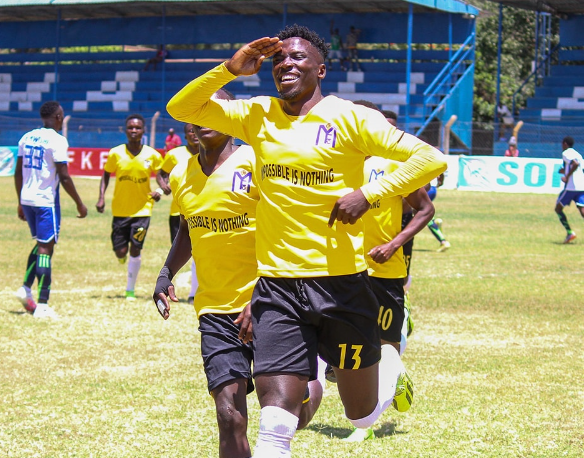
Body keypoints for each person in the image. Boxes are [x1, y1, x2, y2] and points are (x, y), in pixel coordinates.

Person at [166, 25, 446, 458]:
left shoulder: (351, 117)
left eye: (297, 58)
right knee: (275, 423)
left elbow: (432, 158)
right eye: (279, 60)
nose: (286, 65)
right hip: (277, 287)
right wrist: (229, 69)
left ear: (321, 69)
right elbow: (181, 106)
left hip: (342, 285)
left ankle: (390, 367)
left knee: (361, 415)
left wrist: (369, 195)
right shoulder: (258, 115)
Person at [153, 89, 324, 458]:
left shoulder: (256, 162)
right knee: (229, 416)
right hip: (214, 311)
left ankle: (316, 382)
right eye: (198, 113)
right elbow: (189, 226)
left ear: (230, 118)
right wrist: (167, 272)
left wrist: (263, 292)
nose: (203, 120)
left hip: (271, 304)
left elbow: (288, 226)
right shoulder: (181, 172)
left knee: (287, 414)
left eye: (214, 111)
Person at [333, 100, 435, 442]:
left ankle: (367, 421)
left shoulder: (392, 164)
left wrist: (394, 245)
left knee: (384, 346)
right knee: (345, 349)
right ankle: (384, 383)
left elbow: (425, 209)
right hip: (338, 270)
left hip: (383, 273)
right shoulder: (327, 160)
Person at [14, 100, 88, 318]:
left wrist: (20, 200)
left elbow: (18, 172)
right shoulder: (58, 140)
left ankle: (25, 288)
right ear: (57, 117)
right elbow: (64, 176)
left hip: (27, 198)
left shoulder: (25, 137)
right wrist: (79, 203)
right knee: (46, 249)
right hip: (45, 200)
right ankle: (43, 304)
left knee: (41, 244)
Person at [96, 114, 163, 300]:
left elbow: (162, 176)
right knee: (121, 251)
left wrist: (160, 191)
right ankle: (121, 256)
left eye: (138, 128)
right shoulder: (115, 153)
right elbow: (106, 174)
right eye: (131, 128)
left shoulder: (153, 155)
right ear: (125, 130)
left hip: (143, 211)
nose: (134, 131)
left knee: (136, 248)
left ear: (143, 131)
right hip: (120, 211)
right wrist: (101, 197)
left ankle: (130, 290)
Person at [156, 123, 200, 304]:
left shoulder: (210, 153)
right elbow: (161, 173)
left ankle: (194, 293)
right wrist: (163, 185)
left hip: (200, 212)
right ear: (186, 134)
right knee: (182, 251)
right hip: (178, 213)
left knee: (199, 252)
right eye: (191, 131)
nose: (194, 134)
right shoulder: (174, 155)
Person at [554, 136, 584, 244]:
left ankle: (569, 232)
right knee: (582, 210)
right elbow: (579, 166)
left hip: (571, 187)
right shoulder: (578, 154)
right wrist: (564, 170)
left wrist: (567, 176)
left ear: (565, 144)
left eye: (562, 144)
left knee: (558, 209)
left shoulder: (567, 153)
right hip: (581, 186)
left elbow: (575, 164)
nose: (562, 146)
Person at [426, 173, 450, 252]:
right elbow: (440, 172)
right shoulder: (431, 160)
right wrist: (440, 181)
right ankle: (435, 223)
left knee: (424, 216)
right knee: (422, 213)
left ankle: (443, 241)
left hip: (425, 188)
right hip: (433, 189)